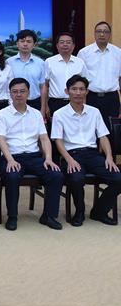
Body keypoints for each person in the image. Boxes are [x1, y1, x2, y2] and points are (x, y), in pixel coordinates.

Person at [51, 74, 121, 227]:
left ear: (87, 92)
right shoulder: (59, 114)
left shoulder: (94, 112)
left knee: (118, 178)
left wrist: (109, 157)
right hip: (71, 155)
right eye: (74, 89)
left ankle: (99, 212)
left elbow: (103, 137)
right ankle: (80, 212)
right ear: (67, 91)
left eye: (82, 89)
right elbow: (58, 141)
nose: (78, 92)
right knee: (76, 179)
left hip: (93, 154)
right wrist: (69, 160)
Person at [0, 77, 64, 231]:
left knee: (56, 175)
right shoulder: (2, 114)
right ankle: (12, 217)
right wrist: (10, 160)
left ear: (28, 93)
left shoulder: (36, 114)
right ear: (10, 93)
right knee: (12, 176)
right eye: (15, 92)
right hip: (11, 156)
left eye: (22, 91)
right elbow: (1, 139)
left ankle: (48, 216)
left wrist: (48, 158)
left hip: (34, 157)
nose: (18, 94)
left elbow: (44, 138)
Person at [77, 21, 121, 130]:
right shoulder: (84, 53)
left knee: (112, 130)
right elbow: (79, 80)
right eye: (99, 31)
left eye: (105, 32)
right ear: (94, 33)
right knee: (91, 129)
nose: (102, 34)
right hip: (91, 97)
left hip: (112, 98)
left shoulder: (118, 53)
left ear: (109, 34)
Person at [43, 32, 86, 118]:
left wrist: (84, 104)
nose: (65, 44)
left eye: (68, 42)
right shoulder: (49, 62)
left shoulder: (80, 62)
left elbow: (84, 86)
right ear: (57, 45)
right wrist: (45, 106)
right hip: (55, 103)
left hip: (76, 102)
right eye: (62, 42)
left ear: (73, 46)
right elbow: (45, 85)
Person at [6, 29, 45, 114]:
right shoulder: (9, 62)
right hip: (14, 102)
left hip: (35, 102)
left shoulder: (40, 63)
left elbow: (43, 87)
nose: (25, 44)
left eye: (28, 41)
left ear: (34, 45)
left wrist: (43, 108)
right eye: (22, 41)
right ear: (17, 44)